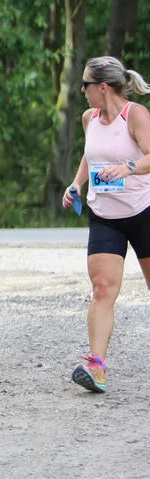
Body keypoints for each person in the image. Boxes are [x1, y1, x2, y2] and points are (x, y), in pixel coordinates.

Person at [62, 56, 150, 393]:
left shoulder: (135, 115)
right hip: (105, 218)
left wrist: (129, 167)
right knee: (101, 290)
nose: (81, 91)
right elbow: (89, 154)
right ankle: (96, 366)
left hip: (143, 212)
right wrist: (76, 184)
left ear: (102, 87)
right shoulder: (89, 118)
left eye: (85, 85)